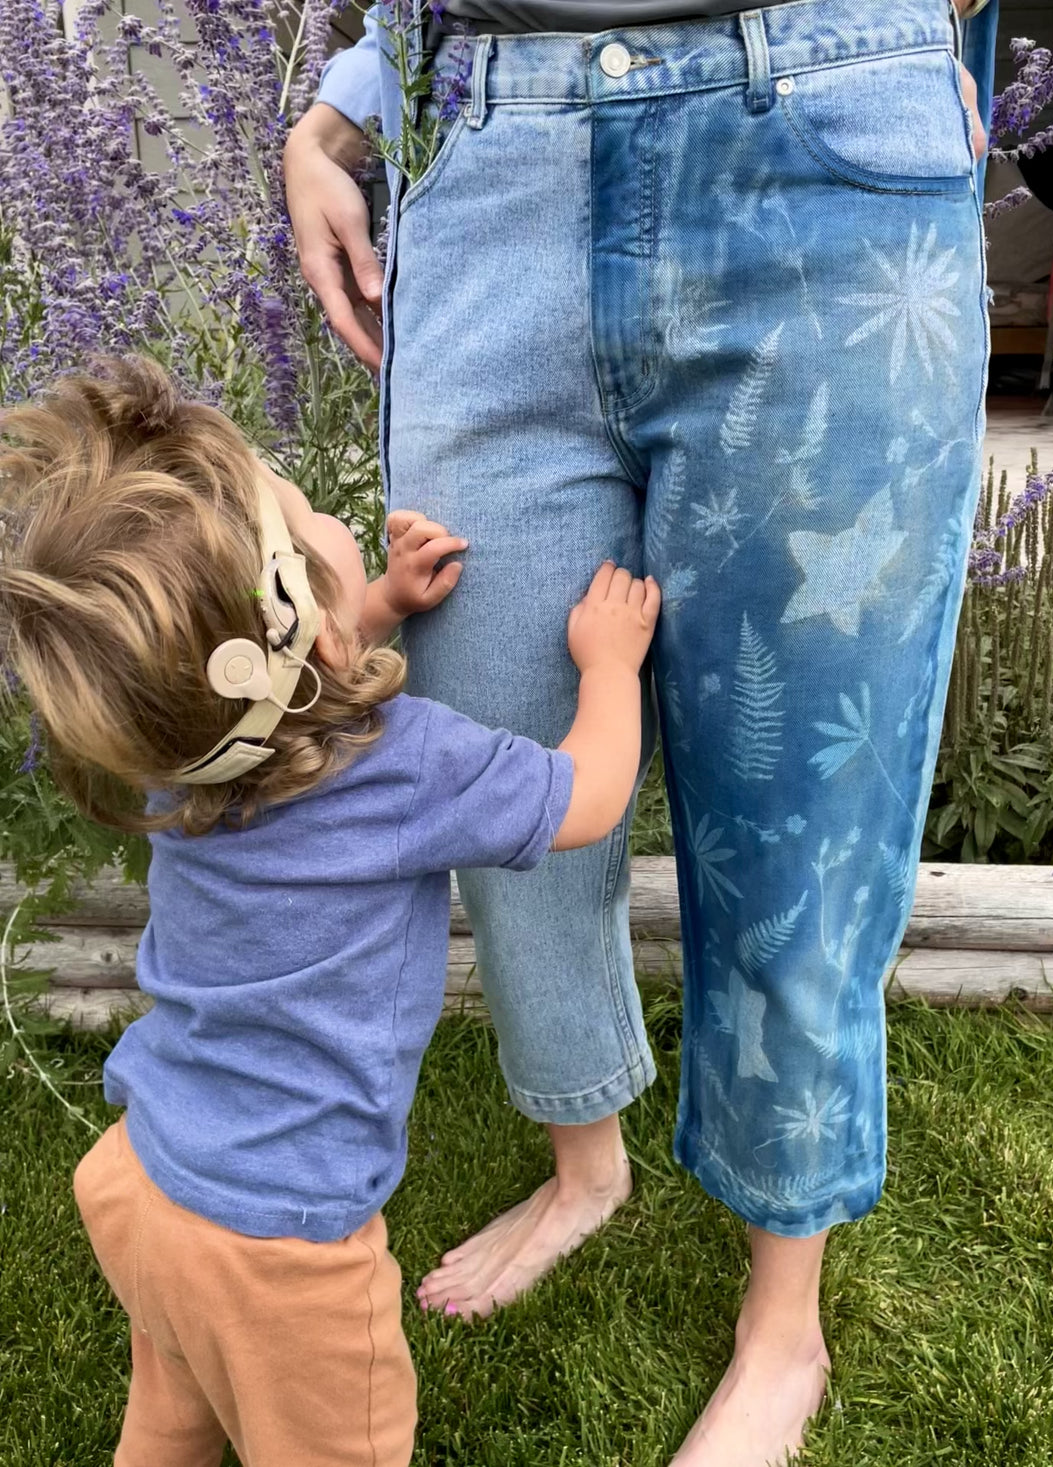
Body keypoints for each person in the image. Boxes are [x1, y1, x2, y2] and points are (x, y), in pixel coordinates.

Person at [285, 1, 993, 1461]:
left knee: (806, 800)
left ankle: (781, 1312)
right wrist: (351, 97)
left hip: (824, 143)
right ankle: (581, 1158)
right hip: (490, 160)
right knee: (496, 748)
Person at [0, 356, 659, 1467]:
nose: (320, 511)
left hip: (141, 1176)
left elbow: (253, 682)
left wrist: (380, 606)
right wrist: (610, 668)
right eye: (304, 514)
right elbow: (587, 798)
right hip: (281, 1249)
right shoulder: (402, 767)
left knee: (170, 1415)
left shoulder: (183, 751)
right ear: (294, 613)